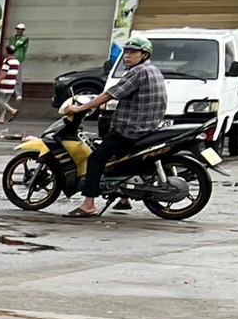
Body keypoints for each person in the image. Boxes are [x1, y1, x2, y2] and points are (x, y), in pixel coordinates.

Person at [66, 34, 166, 219]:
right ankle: (124, 198)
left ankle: (88, 204)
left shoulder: (138, 72)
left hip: (132, 128)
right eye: (126, 52)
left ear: (144, 55)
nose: (127, 56)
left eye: (133, 52)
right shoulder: (153, 70)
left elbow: (110, 94)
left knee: (96, 158)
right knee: (122, 159)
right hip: (148, 127)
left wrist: (82, 108)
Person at [0, 45, 23, 125]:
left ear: (6, 52)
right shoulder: (17, 61)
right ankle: (1, 119)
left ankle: (13, 111)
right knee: (5, 101)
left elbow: (3, 73)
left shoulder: (7, 61)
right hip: (12, 83)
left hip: (5, 83)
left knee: (0, 101)